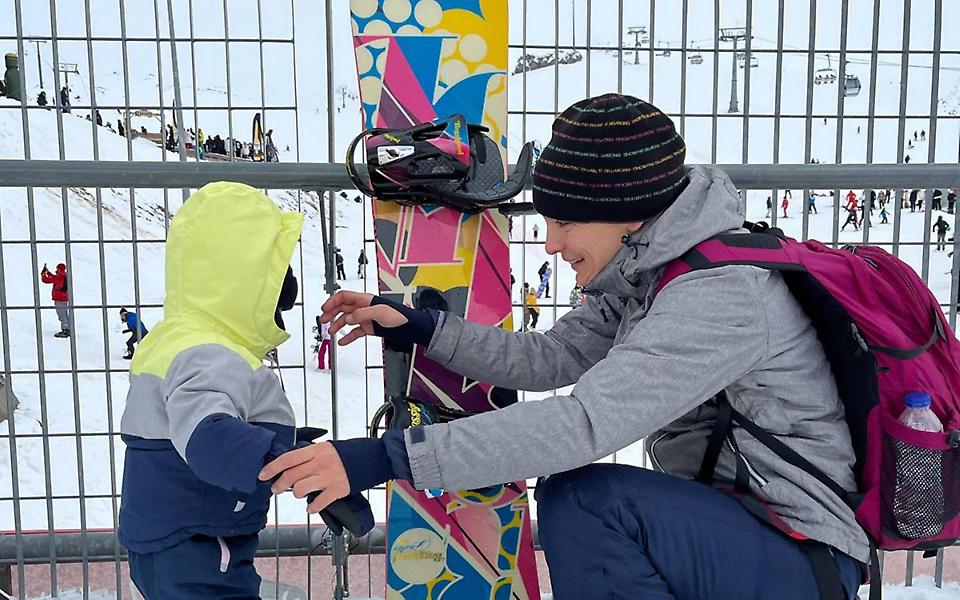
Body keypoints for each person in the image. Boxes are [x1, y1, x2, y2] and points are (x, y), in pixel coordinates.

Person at [261, 94, 866, 600]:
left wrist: (381, 458)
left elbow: (582, 424)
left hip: (802, 551)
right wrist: (423, 328)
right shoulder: (650, 273)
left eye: (564, 222)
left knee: (585, 502)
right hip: (738, 529)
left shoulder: (721, 295)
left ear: (623, 213)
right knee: (580, 499)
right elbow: (548, 358)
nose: (550, 243)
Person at [117, 182, 322, 599]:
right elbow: (207, 436)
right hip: (198, 543)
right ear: (243, 277)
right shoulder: (209, 352)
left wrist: (287, 444)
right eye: (274, 271)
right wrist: (287, 464)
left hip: (174, 534)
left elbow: (188, 421)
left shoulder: (180, 337)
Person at [40, 263, 70, 338]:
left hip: (59, 299)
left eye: (57, 269)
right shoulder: (64, 275)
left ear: (59, 269)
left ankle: (65, 330)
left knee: (62, 315)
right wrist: (48, 272)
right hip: (64, 298)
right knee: (64, 314)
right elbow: (54, 277)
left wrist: (43, 274)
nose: (56, 270)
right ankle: (68, 328)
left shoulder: (59, 277)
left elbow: (46, 280)